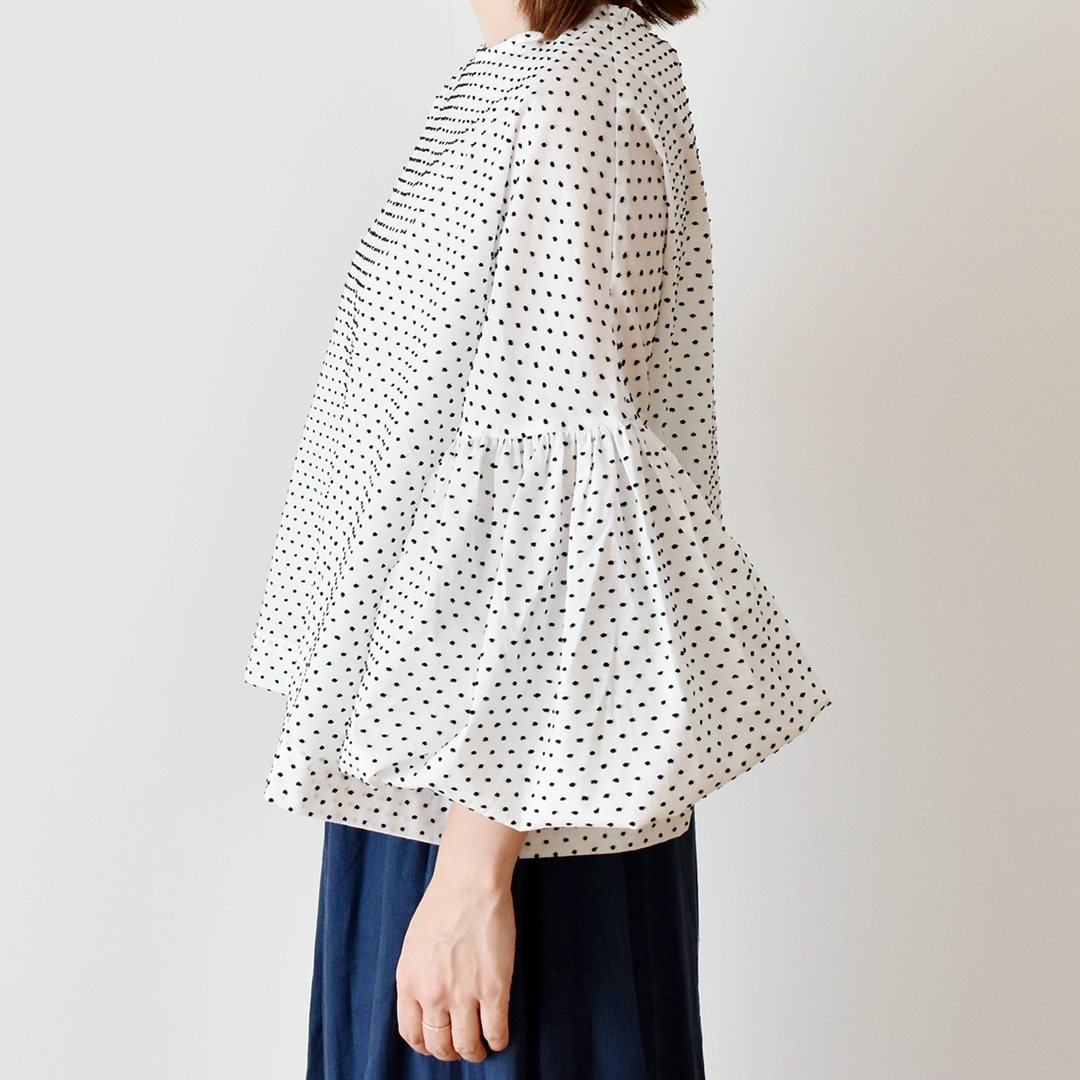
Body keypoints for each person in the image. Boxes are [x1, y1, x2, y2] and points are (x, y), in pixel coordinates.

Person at [244, 2, 831, 1076]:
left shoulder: (573, 88)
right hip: (460, 759)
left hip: (507, 805)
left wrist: (475, 875)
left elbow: (569, 490)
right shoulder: (527, 74)